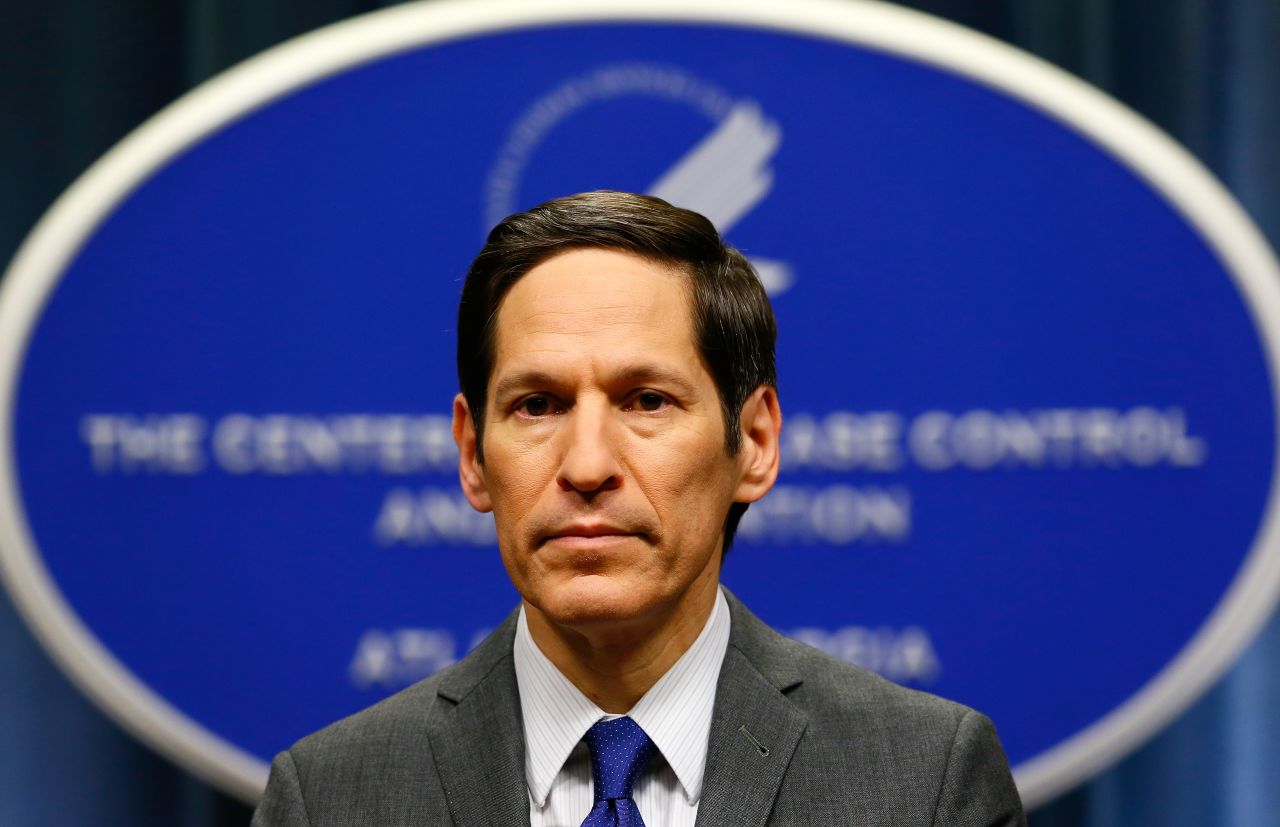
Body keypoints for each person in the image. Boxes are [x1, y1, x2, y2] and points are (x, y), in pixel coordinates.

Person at [252, 191, 1026, 826]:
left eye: (646, 400)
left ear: (753, 441)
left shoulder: (924, 782)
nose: (587, 465)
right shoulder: (328, 798)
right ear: (471, 453)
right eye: (537, 405)